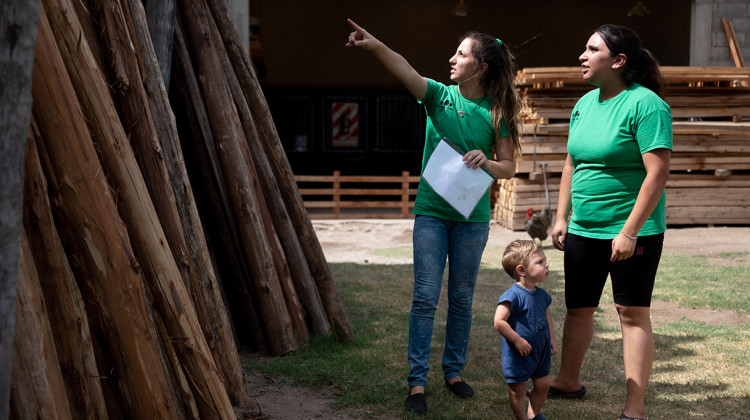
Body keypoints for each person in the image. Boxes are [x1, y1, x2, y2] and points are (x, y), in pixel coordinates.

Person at [346, 19, 522, 413]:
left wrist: (488, 162)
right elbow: (405, 68)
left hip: (472, 220)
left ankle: (454, 373)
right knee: (425, 297)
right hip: (431, 214)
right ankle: (417, 382)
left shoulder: (496, 112)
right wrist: (375, 45)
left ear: (480, 68)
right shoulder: (438, 96)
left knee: (461, 298)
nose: (451, 59)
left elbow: (509, 167)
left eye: (461, 54)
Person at [547, 24, 672, 420]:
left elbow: (657, 174)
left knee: (631, 313)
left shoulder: (646, 105)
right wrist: (562, 216)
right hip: (584, 228)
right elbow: (571, 163)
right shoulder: (584, 103)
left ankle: (634, 409)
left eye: (591, 49)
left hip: (632, 231)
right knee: (579, 308)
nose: (582, 56)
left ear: (618, 61)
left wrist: (628, 232)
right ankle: (568, 381)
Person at [495, 240, 557, 420]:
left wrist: (552, 339)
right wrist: (517, 340)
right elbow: (499, 321)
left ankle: (533, 415)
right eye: (540, 262)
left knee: (543, 384)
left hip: (540, 351)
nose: (547, 265)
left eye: (545, 260)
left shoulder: (542, 295)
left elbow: (547, 317)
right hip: (519, 353)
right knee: (517, 391)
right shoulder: (512, 295)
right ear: (521, 270)